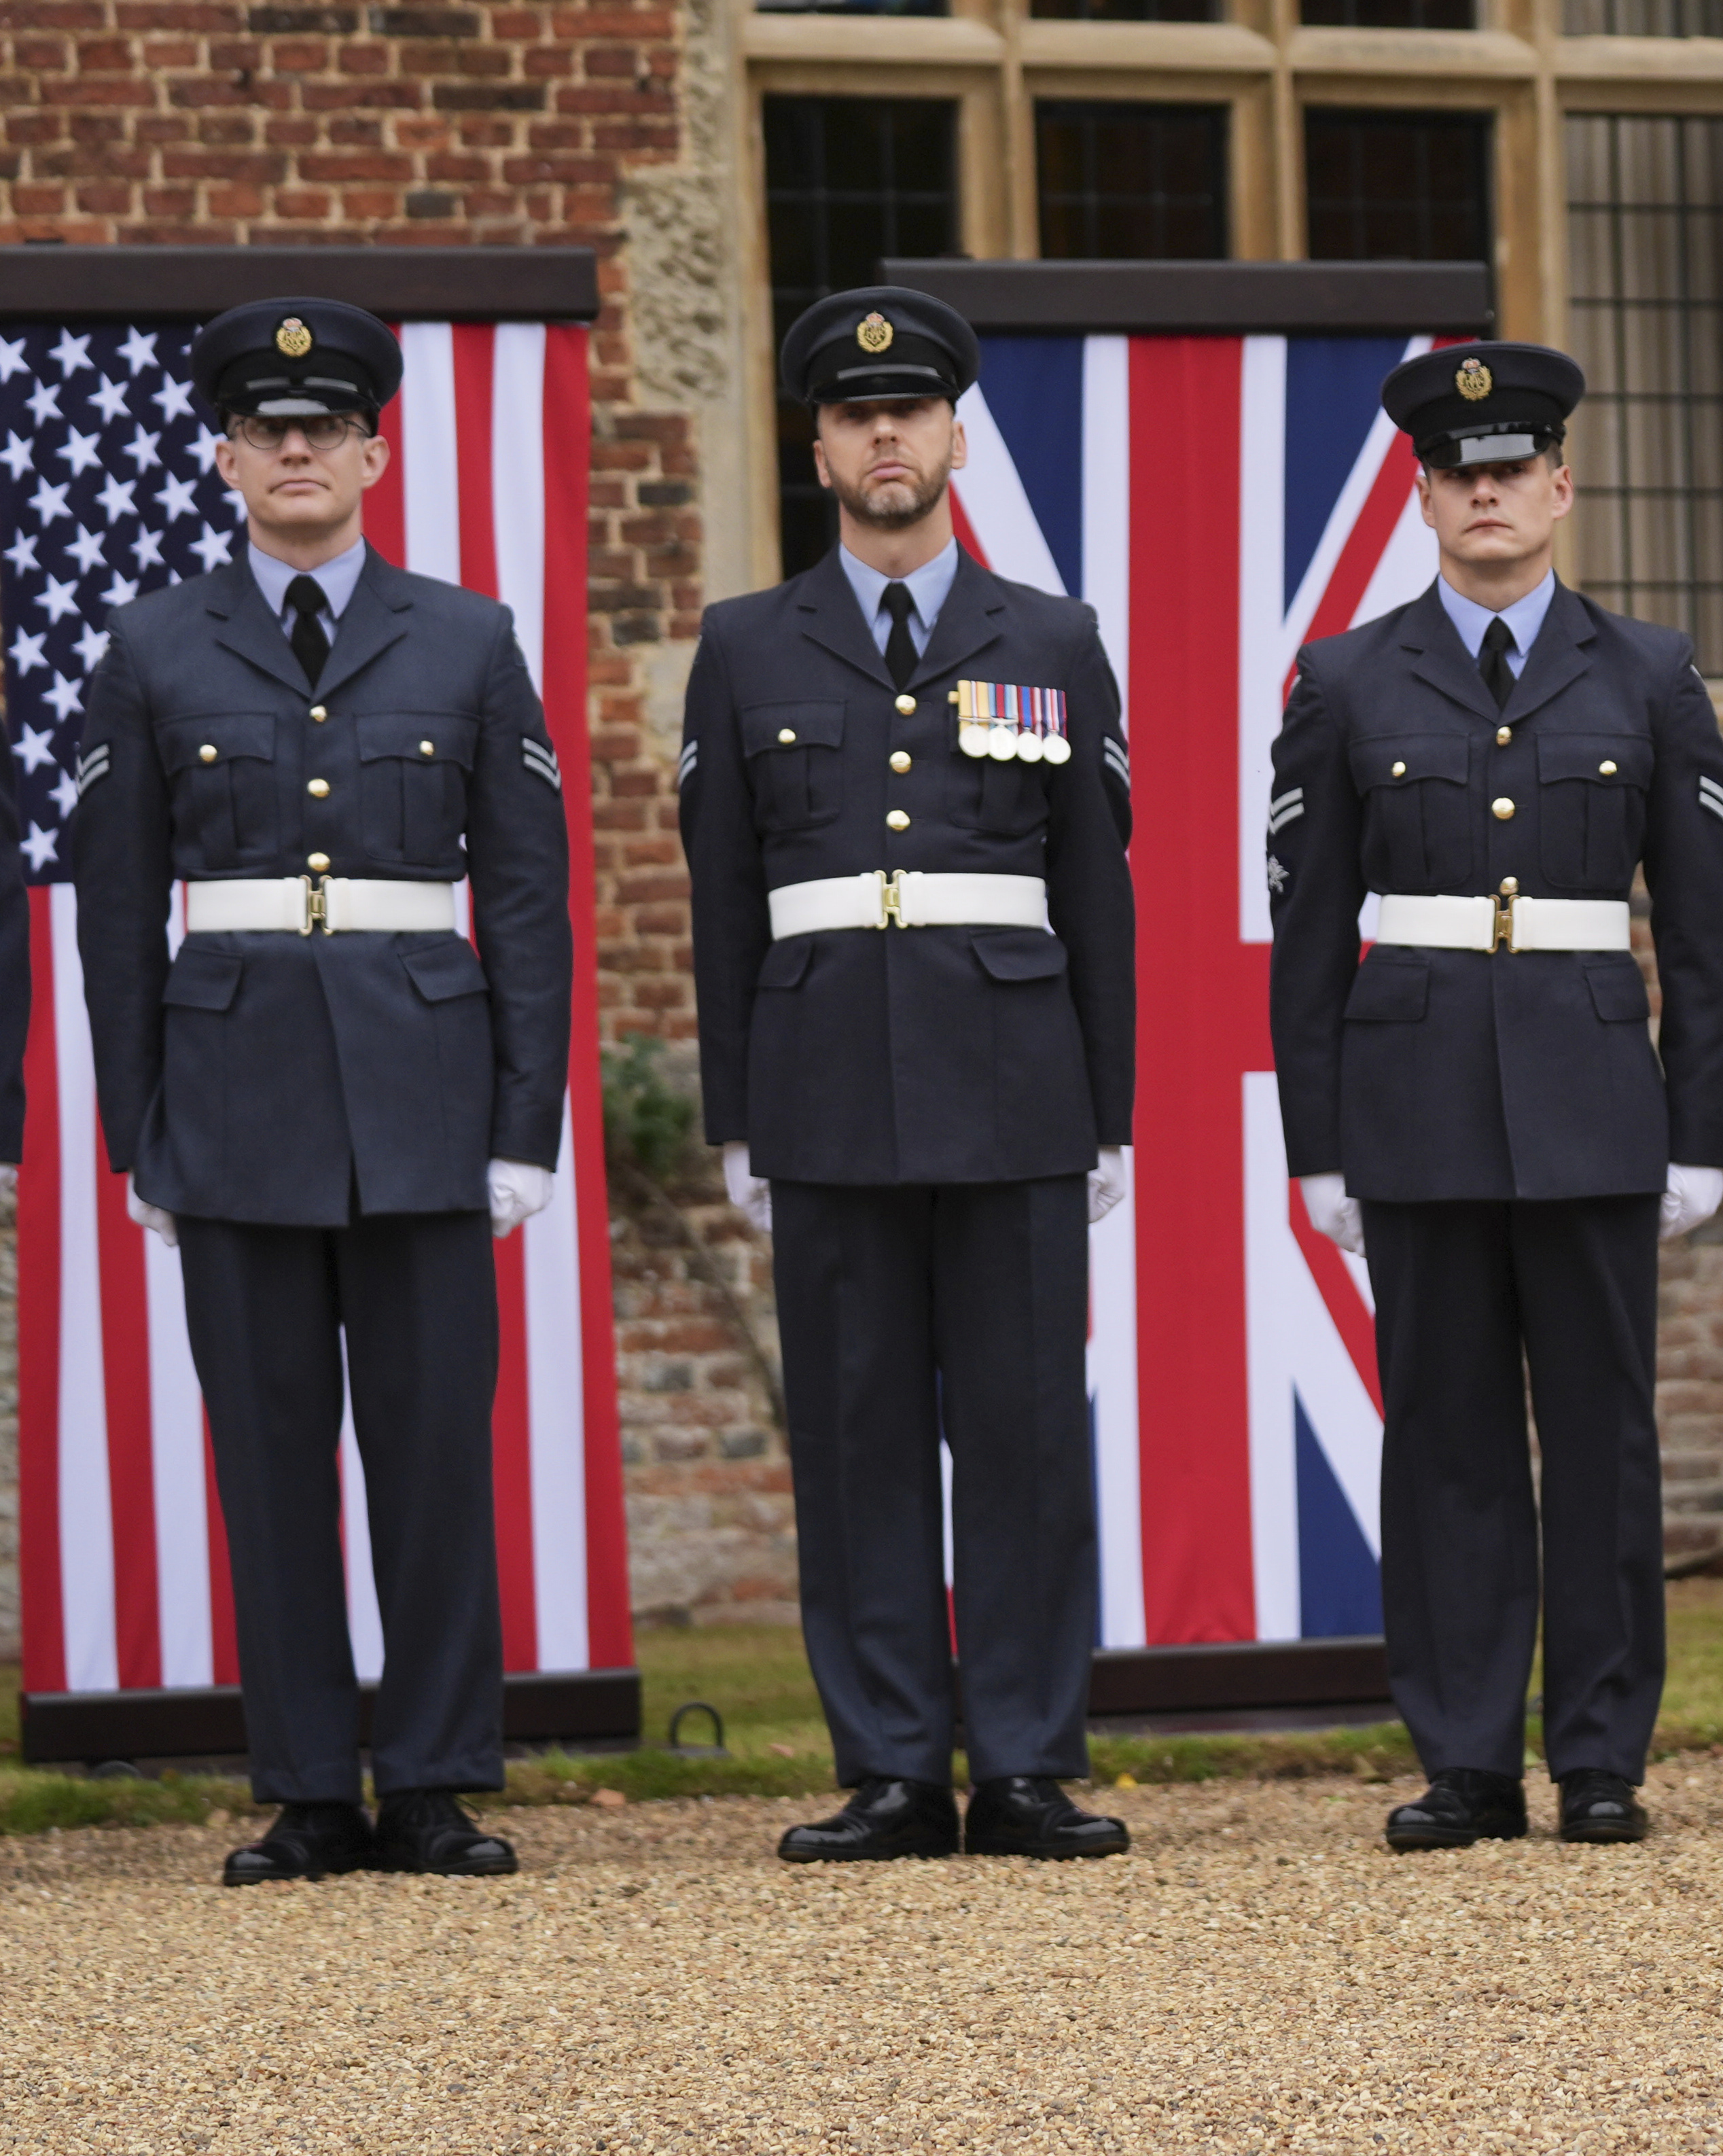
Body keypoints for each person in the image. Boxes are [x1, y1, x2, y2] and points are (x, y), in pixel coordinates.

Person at [75, 298, 573, 1886]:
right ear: (224, 454)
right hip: (231, 1099)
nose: (297, 450)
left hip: (428, 1093)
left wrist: (523, 1124)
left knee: (433, 1454)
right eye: (266, 429)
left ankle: (431, 1776)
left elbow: (526, 898)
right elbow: (113, 909)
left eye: (325, 427)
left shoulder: (469, 637)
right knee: (270, 1454)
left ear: (374, 447)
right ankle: (303, 1783)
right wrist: (137, 1133)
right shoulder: (154, 643)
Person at [681, 286, 1139, 1865]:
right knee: (862, 1431)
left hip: (1014, 1080)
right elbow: (722, 896)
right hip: (822, 1082)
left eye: (914, 411)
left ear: (954, 434)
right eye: (856, 415)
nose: (888, 436)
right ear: (820, 445)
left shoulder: (1054, 638)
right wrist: (735, 1111)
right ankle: (886, 1761)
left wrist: (1109, 1111)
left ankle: (1021, 1758)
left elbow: (1098, 893)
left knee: (1021, 1434)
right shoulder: (745, 645)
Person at [1265, 341, 1723, 1851]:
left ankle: (1600, 1751)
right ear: (1424, 499)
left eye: (1512, 470)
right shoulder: (1346, 677)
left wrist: (1699, 1131)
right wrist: (1320, 1142)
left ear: (1560, 487)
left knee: (1604, 1440)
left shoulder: (1650, 671)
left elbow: (1706, 929)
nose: (1487, 494)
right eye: (1458, 474)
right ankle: (1465, 1753)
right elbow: (1305, 929)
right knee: (1450, 1437)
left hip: (1597, 1093)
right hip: (1414, 1103)